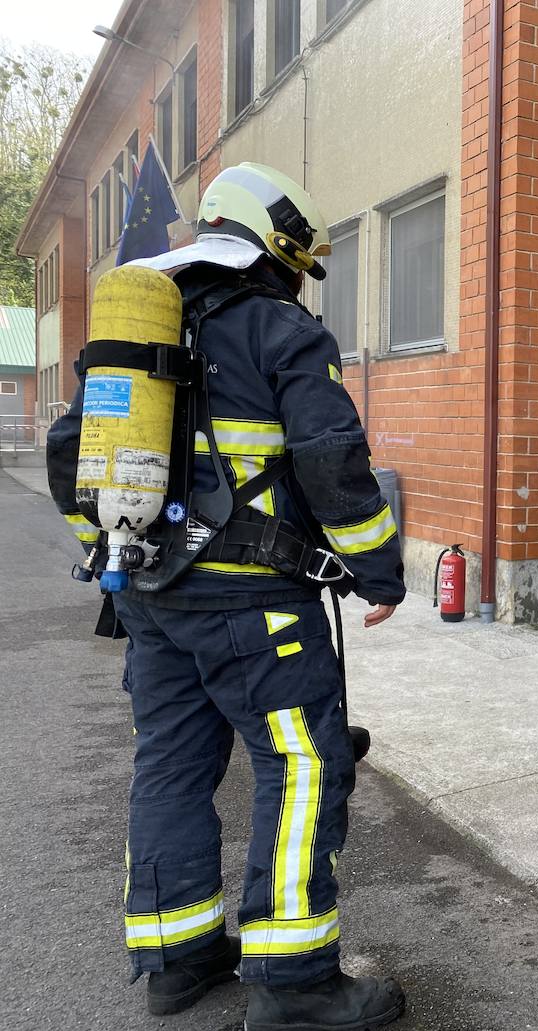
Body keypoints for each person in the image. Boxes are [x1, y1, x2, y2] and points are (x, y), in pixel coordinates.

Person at [47, 163, 407, 1030]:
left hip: (150, 601)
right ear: (273, 246)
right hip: (256, 611)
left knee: (170, 761)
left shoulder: (141, 322)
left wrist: (109, 553)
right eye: (295, 260)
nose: (294, 278)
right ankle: (295, 985)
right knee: (305, 763)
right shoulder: (276, 326)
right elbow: (332, 459)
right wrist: (380, 570)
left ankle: (176, 957)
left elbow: (69, 455)